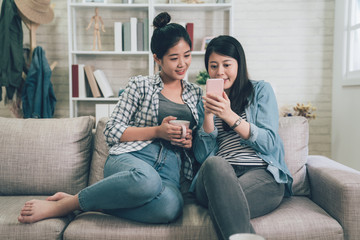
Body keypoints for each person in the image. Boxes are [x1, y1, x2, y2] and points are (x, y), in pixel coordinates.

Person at [18, 12, 203, 224]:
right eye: (174, 58)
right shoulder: (140, 85)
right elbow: (112, 130)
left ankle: (94, 203)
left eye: (187, 55)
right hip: (134, 158)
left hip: (170, 169)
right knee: (147, 180)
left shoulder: (195, 93)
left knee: (171, 207)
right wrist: (157, 131)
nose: (182, 64)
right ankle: (64, 206)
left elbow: (198, 145)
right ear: (157, 59)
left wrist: (188, 143)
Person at [195, 35, 293, 240]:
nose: (219, 72)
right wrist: (208, 116)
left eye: (226, 64)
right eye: (213, 66)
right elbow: (202, 156)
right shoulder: (203, 102)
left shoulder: (260, 91)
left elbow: (270, 143)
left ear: (239, 64)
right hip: (217, 177)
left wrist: (230, 116)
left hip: (261, 174)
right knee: (214, 163)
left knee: (223, 205)